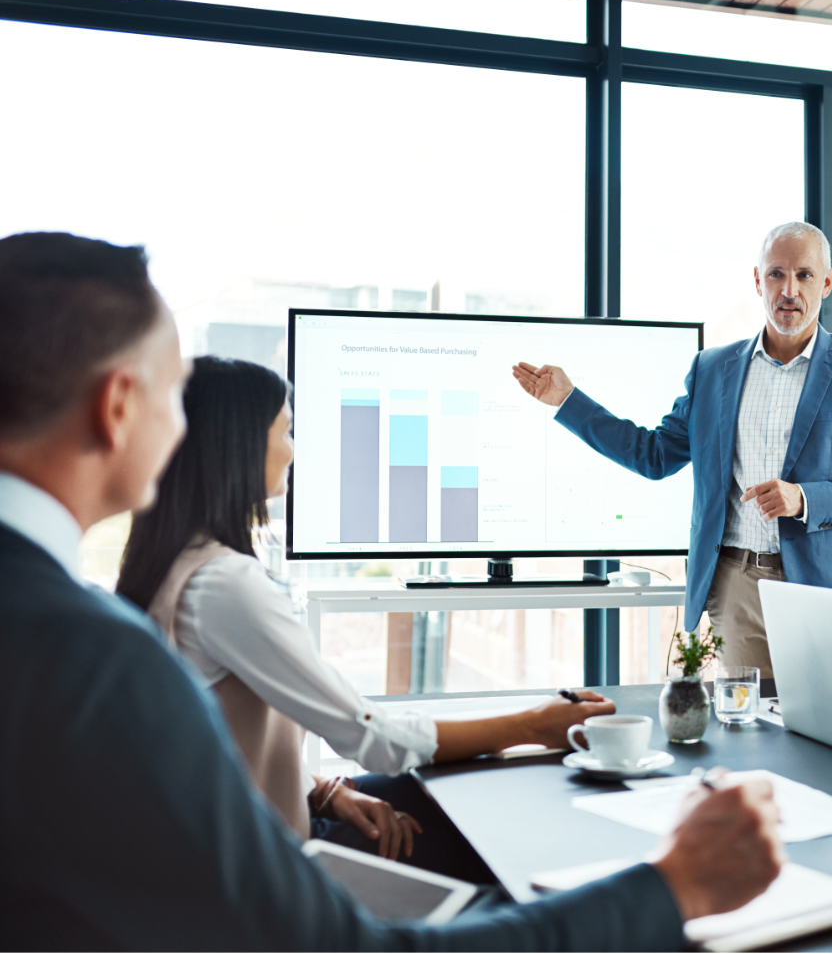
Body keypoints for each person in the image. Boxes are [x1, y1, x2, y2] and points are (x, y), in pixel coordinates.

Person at [0, 231, 783, 953]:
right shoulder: (102, 653)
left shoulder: (90, 619)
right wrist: (671, 886)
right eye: (172, 395)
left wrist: (326, 789)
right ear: (116, 407)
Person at [116, 355, 615, 875]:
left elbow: (212, 743)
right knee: (502, 818)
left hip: (229, 834)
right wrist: (537, 723)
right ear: (237, 445)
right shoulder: (224, 586)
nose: (292, 450)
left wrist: (321, 791)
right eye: (285, 431)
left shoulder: (173, 565)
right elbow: (377, 739)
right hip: (258, 869)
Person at [513, 221, 832, 678]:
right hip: (736, 585)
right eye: (776, 274)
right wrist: (569, 400)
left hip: (826, 588)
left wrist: (805, 498)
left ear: (826, 282)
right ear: (758, 280)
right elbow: (655, 455)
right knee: (754, 738)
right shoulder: (712, 369)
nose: (789, 289)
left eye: (804, 275)